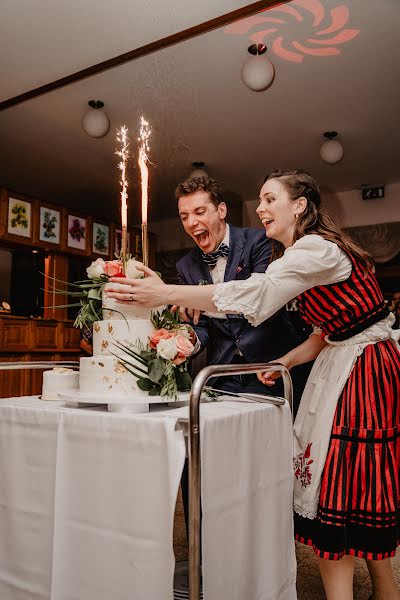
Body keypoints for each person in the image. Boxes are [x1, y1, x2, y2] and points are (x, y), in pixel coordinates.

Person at [106, 169, 400, 600]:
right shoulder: (303, 253)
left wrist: (164, 293)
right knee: (355, 486)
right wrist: (287, 358)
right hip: (345, 360)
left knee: (336, 490)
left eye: (269, 199)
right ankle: (387, 591)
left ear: (299, 205)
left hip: (362, 371)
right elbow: (333, 328)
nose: (260, 208)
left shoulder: (313, 249)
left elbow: (253, 295)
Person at [172, 174, 310, 399]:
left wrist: (192, 298)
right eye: (184, 216)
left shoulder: (260, 241)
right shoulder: (185, 266)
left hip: (270, 366)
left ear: (222, 211)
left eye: (199, 212)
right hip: (222, 374)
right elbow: (200, 325)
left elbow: (258, 299)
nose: (191, 223)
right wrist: (189, 339)